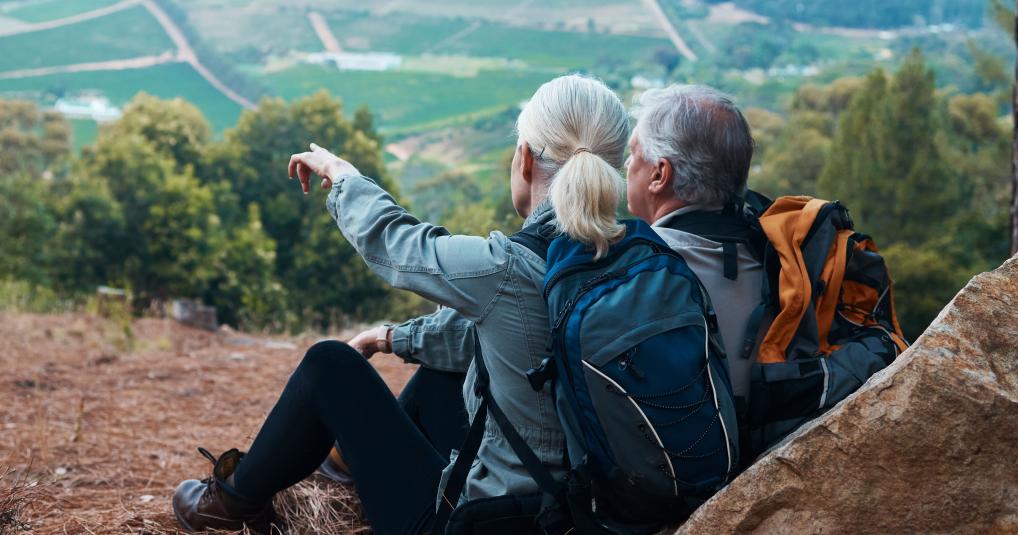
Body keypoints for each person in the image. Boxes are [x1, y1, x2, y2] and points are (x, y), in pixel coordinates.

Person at [171, 74, 631, 535]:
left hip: (495, 525)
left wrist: (342, 175)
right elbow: (496, 335)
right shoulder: (631, 262)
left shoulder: (508, 268)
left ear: (525, 158)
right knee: (442, 378)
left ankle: (231, 504)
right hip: (587, 515)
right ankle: (355, 463)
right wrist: (393, 338)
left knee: (328, 365)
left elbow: (398, 244)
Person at [623, 84, 763, 416]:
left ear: (659, 174)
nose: (627, 165)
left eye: (634, 153)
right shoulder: (783, 254)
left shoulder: (634, 272)